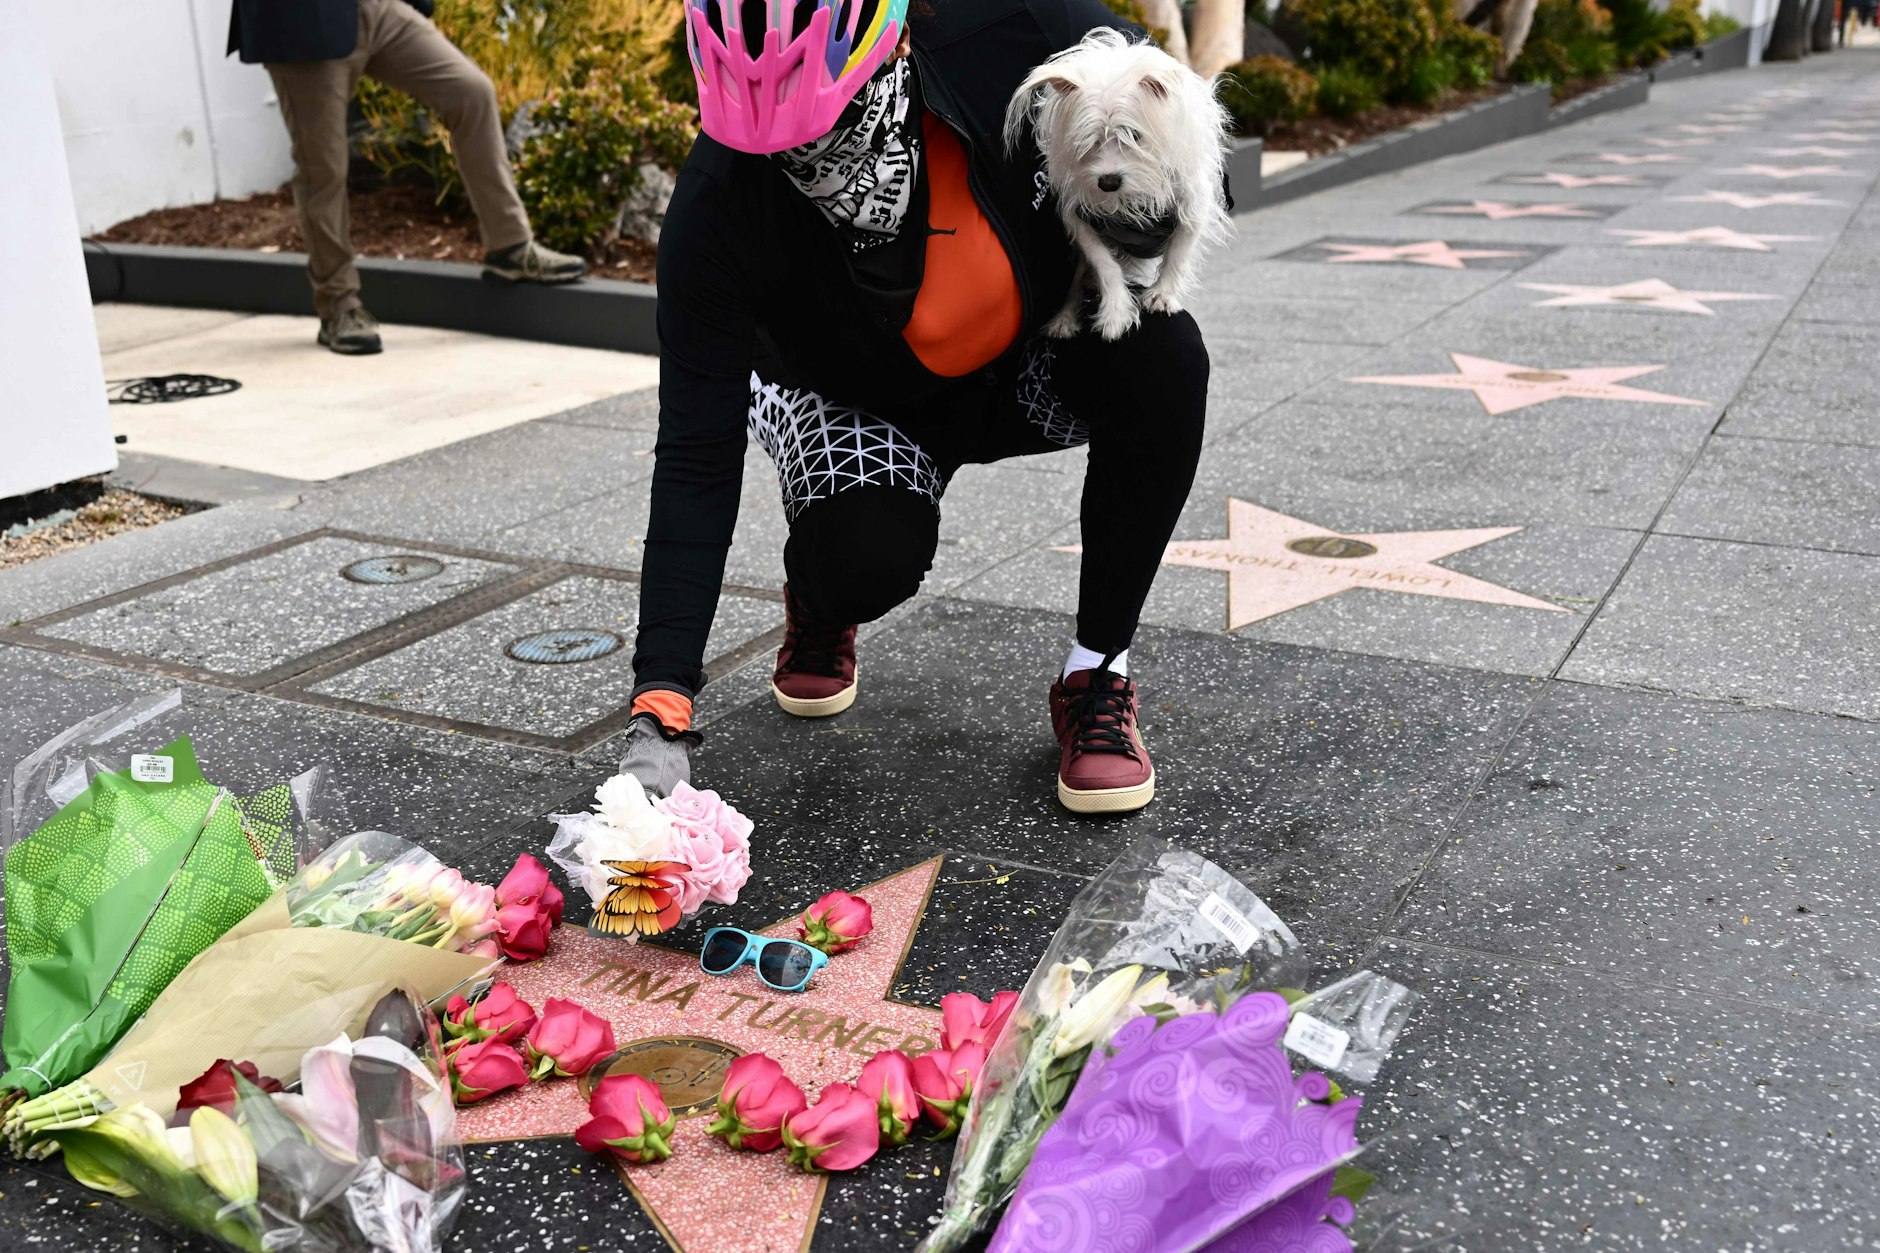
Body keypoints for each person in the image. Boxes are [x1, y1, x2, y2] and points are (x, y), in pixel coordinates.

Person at [617, 0, 1216, 815]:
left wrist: (1141, 203)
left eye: (820, 128)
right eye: (772, 145)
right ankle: (822, 603)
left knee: (1163, 358)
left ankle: (1096, 672)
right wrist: (662, 710)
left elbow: (1186, 132)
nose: (800, 158)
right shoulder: (720, 197)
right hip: (853, 398)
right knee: (863, 558)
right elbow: (694, 450)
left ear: (888, 49)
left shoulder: (1017, 32)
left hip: (1019, 357)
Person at [226, 0, 588, 354]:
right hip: (302, 20)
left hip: (378, 8)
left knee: (471, 92)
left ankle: (510, 246)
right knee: (323, 167)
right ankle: (339, 305)